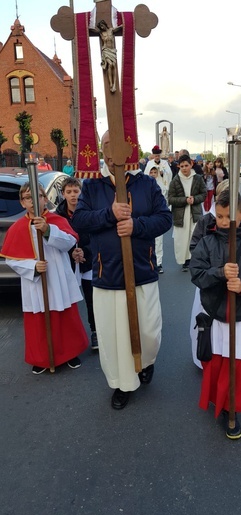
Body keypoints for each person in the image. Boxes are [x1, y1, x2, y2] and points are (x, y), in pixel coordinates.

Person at [72, 130, 172, 410]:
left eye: (115, 144)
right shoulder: (92, 185)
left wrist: (136, 226)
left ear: (128, 149)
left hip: (143, 270)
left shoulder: (145, 184)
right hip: (108, 274)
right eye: (106, 145)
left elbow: (164, 219)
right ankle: (122, 383)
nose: (110, 150)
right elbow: (79, 220)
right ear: (102, 150)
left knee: (150, 331)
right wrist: (110, 214)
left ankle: (147, 360)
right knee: (114, 336)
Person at [190, 189, 241, 439]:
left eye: (229, 217)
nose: (224, 222)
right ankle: (221, 401)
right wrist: (219, 273)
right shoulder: (207, 242)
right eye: (220, 216)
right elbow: (197, 273)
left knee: (239, 364)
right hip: (217, 314)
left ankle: (233, 406)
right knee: (218, 363)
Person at [0, 182, 88, 374]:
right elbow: (12, 260)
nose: (33, 201)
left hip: (57, 277)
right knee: (38, 320)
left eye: (37, 196)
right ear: (22, 203)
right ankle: (41, 358)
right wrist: (32, 266)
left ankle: (70, 353)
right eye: (28, 198)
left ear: (45, 199)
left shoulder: (56, 220)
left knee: (65, 315)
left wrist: (48, 231)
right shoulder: (17, 228)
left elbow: (70, 242)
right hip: (35, 282)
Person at [56, 177, 98, 350]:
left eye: (76, 191)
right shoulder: (57, 216)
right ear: (63, 194)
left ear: (81, 193)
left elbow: (96, 237)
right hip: (68, 263)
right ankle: (69, 337)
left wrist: (85, 251)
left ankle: (95, 332)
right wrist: (71, 251)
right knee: (67, 301)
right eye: (69, 192)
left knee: (91, 299)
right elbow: (55, 241)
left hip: (88, 262)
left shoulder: (89, 212)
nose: (73, 195)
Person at [168, 154, 207, 271]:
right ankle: (184, 261)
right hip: (180, 215)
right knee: (182, 239)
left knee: (194, 237)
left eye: (186, 165)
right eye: (182, 166)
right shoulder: (175, 180)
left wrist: (194, 199)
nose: (184, 168)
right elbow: (170, 199)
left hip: (194, 213)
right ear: (179, 166)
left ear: (191, 165)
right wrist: (185, 200)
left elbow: (203, 194)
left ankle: (193, 260)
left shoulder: (198, 178)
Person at [149, 166, 168, 274]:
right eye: (151, 172)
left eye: (155, 172)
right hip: (148, 217)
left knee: (159, 241)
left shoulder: (161, 186)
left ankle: (159, 263)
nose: (153, 174)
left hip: (157, 216)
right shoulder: (144, 186)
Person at [97, 20, 117, 93]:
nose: (102, 27)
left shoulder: (111, 30)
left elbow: (119, 28)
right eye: (101, 27)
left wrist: (124, 25)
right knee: (110, 64)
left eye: (102, 25)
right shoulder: (101, 33)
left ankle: (114, 84)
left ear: (105, 24)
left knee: (114, 65)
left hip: (112, 51)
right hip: (106, 50)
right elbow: (92, 30)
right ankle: (111, 84)